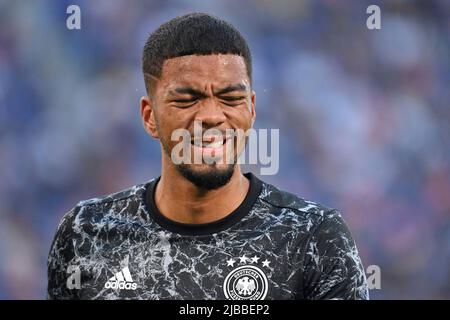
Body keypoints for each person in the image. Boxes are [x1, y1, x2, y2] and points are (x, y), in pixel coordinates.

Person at [47, 12, 369, 300]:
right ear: (149, 117)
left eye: (231, 98)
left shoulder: (313, 237)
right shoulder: (86, 233)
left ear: (252, 109)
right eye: (187, 99)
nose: (212, 115)